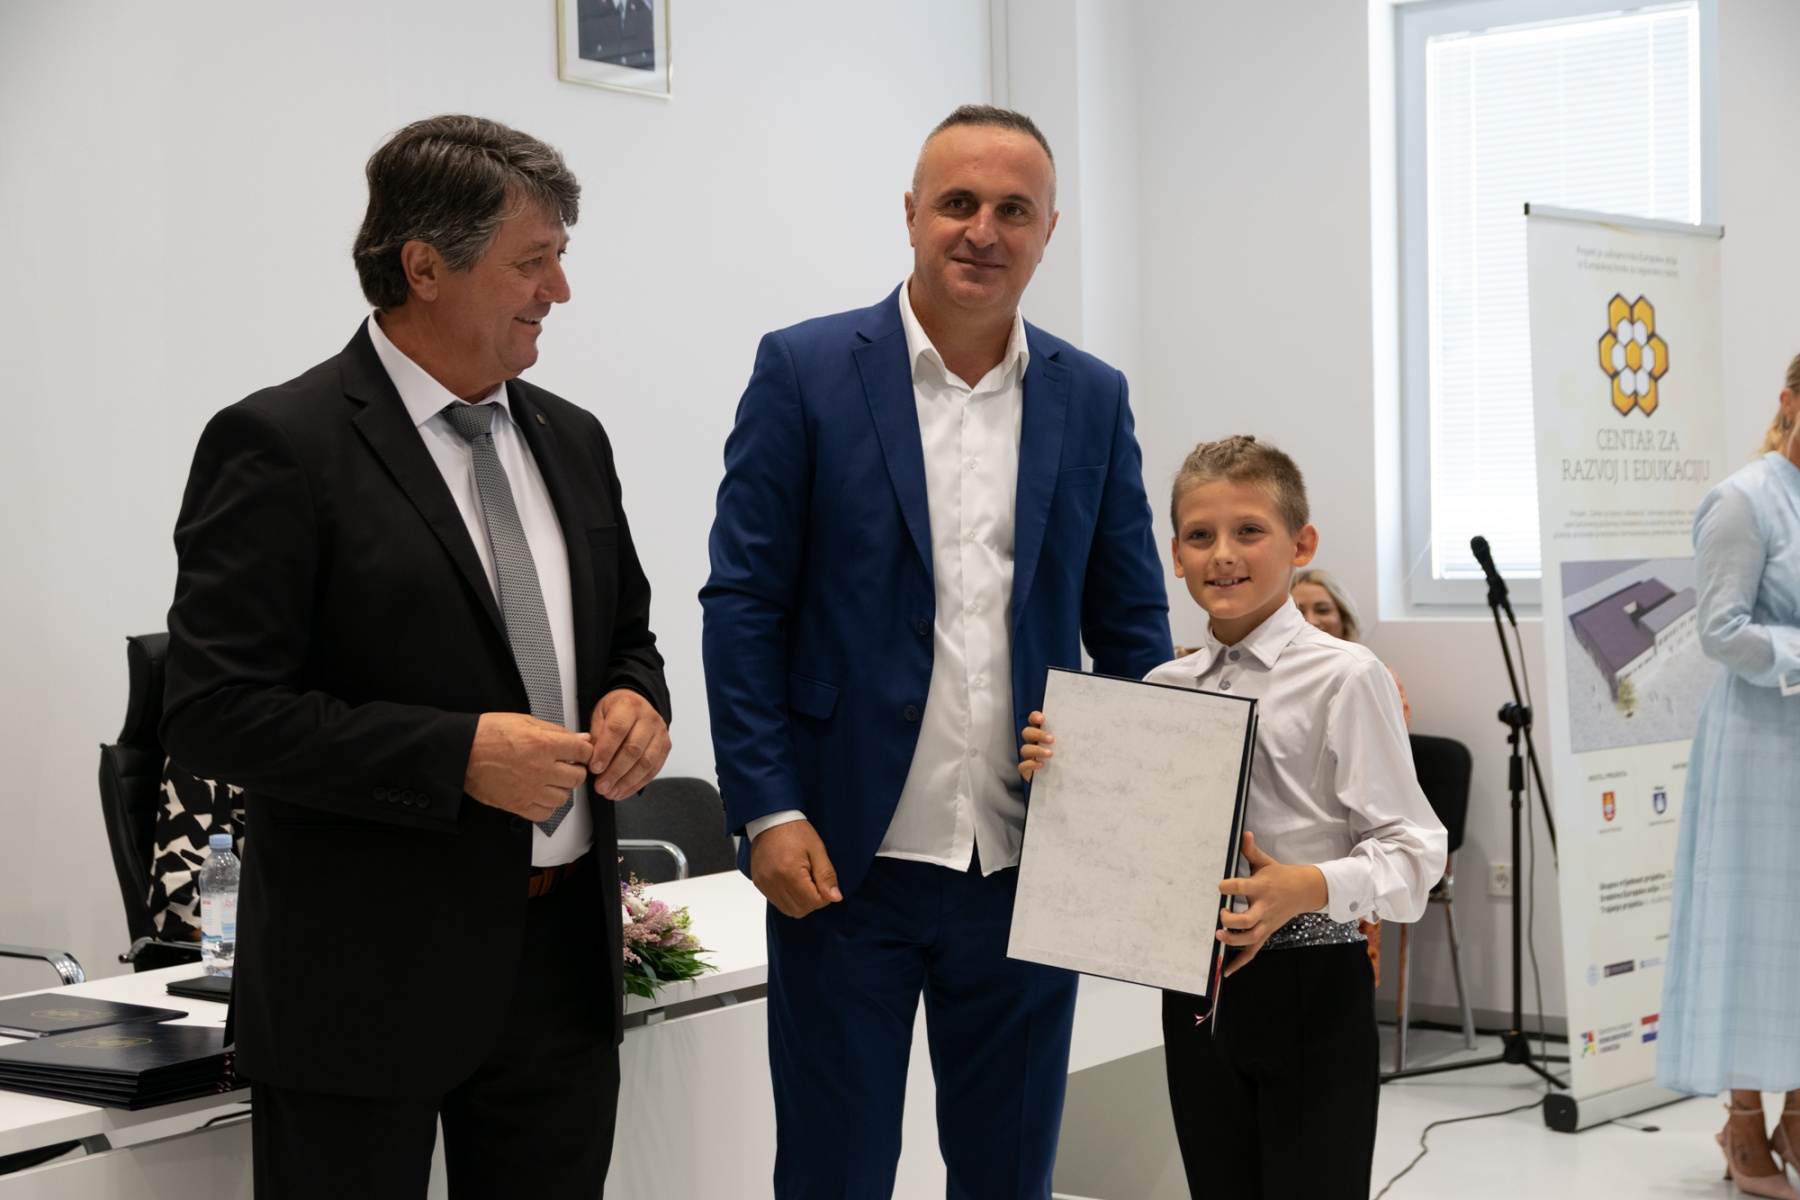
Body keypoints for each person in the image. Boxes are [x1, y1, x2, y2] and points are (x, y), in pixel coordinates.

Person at [161, 114, 671, 1199]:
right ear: (425, 267)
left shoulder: (573, 438)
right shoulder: (281, 445)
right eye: (532, 263)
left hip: (560, 974)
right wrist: (455, 756)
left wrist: (636, 699)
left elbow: (626, 636)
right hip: (360, 986)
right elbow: (212, 711)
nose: (560, 291)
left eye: (561, 257)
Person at [700, 104, 1172, 1198]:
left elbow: (1132, 629)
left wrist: (1142, 824)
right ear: (911, 214)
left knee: (1010, 1178)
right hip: (841, 860)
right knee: (837, 1173)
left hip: (1029, 867)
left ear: (1049, 231)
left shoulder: (1093, 396)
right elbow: (745, 603)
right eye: (958, 203)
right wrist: (766, 808)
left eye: (1014, 210)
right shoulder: (805, 369)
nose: (983, 231)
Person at [1021, 436, 1445, 1200]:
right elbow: (1133, 845)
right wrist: (1061, 780)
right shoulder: (1163, 684)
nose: (1222, 554)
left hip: (1313, 982)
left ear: (1300, 545)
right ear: (1175, 557)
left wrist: (1307, 885)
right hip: (1193, 985)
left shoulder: (1347, 676)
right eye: (1199, 535)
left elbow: (1416, 852)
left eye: (1249, 530)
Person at [1658, 359, 1800, 1200]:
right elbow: (1721, 631)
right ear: (1789, 401)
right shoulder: (1744, 500)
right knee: (1756, 925)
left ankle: (1799, 1112)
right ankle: (1743, 1116)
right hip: (1761, 745)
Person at [1291, 565, 1412, 983]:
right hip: (1290, 852)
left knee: (1345, 977)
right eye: (1298, 610)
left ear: (1343, 616)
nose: (1311, 619)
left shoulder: (1374, 677)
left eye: (1322, 609)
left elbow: (1383, 776)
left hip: (1353, 843)